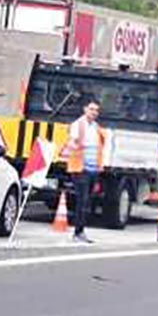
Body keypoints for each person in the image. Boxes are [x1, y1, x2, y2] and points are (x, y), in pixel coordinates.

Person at [60, 101, 104, 244]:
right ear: (85, 109)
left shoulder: (97, 127)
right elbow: (71, 142)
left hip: (93, 169)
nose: (94, 112)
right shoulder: (78, 125)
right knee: (82, 200)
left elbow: (100, 146)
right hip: (80, 168)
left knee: (87, 202)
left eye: (96, 110)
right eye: (91, 109)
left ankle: (81, 231)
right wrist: (76, 146)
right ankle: (78, 232)